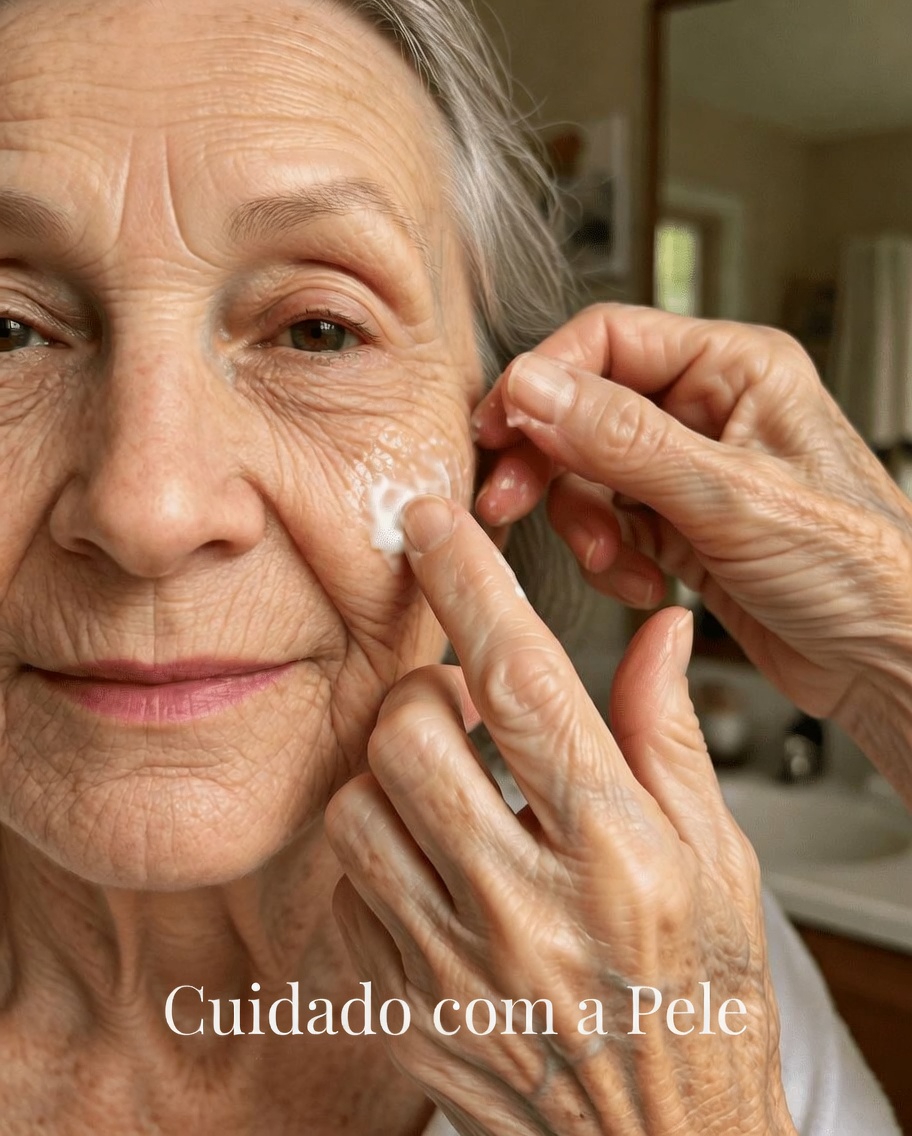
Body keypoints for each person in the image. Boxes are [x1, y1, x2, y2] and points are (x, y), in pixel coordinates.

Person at [0, 0, 902, 1132]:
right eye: (6, 331)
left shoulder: (657, 949)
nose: (149, 508)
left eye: (317, 330)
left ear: (504, 457)